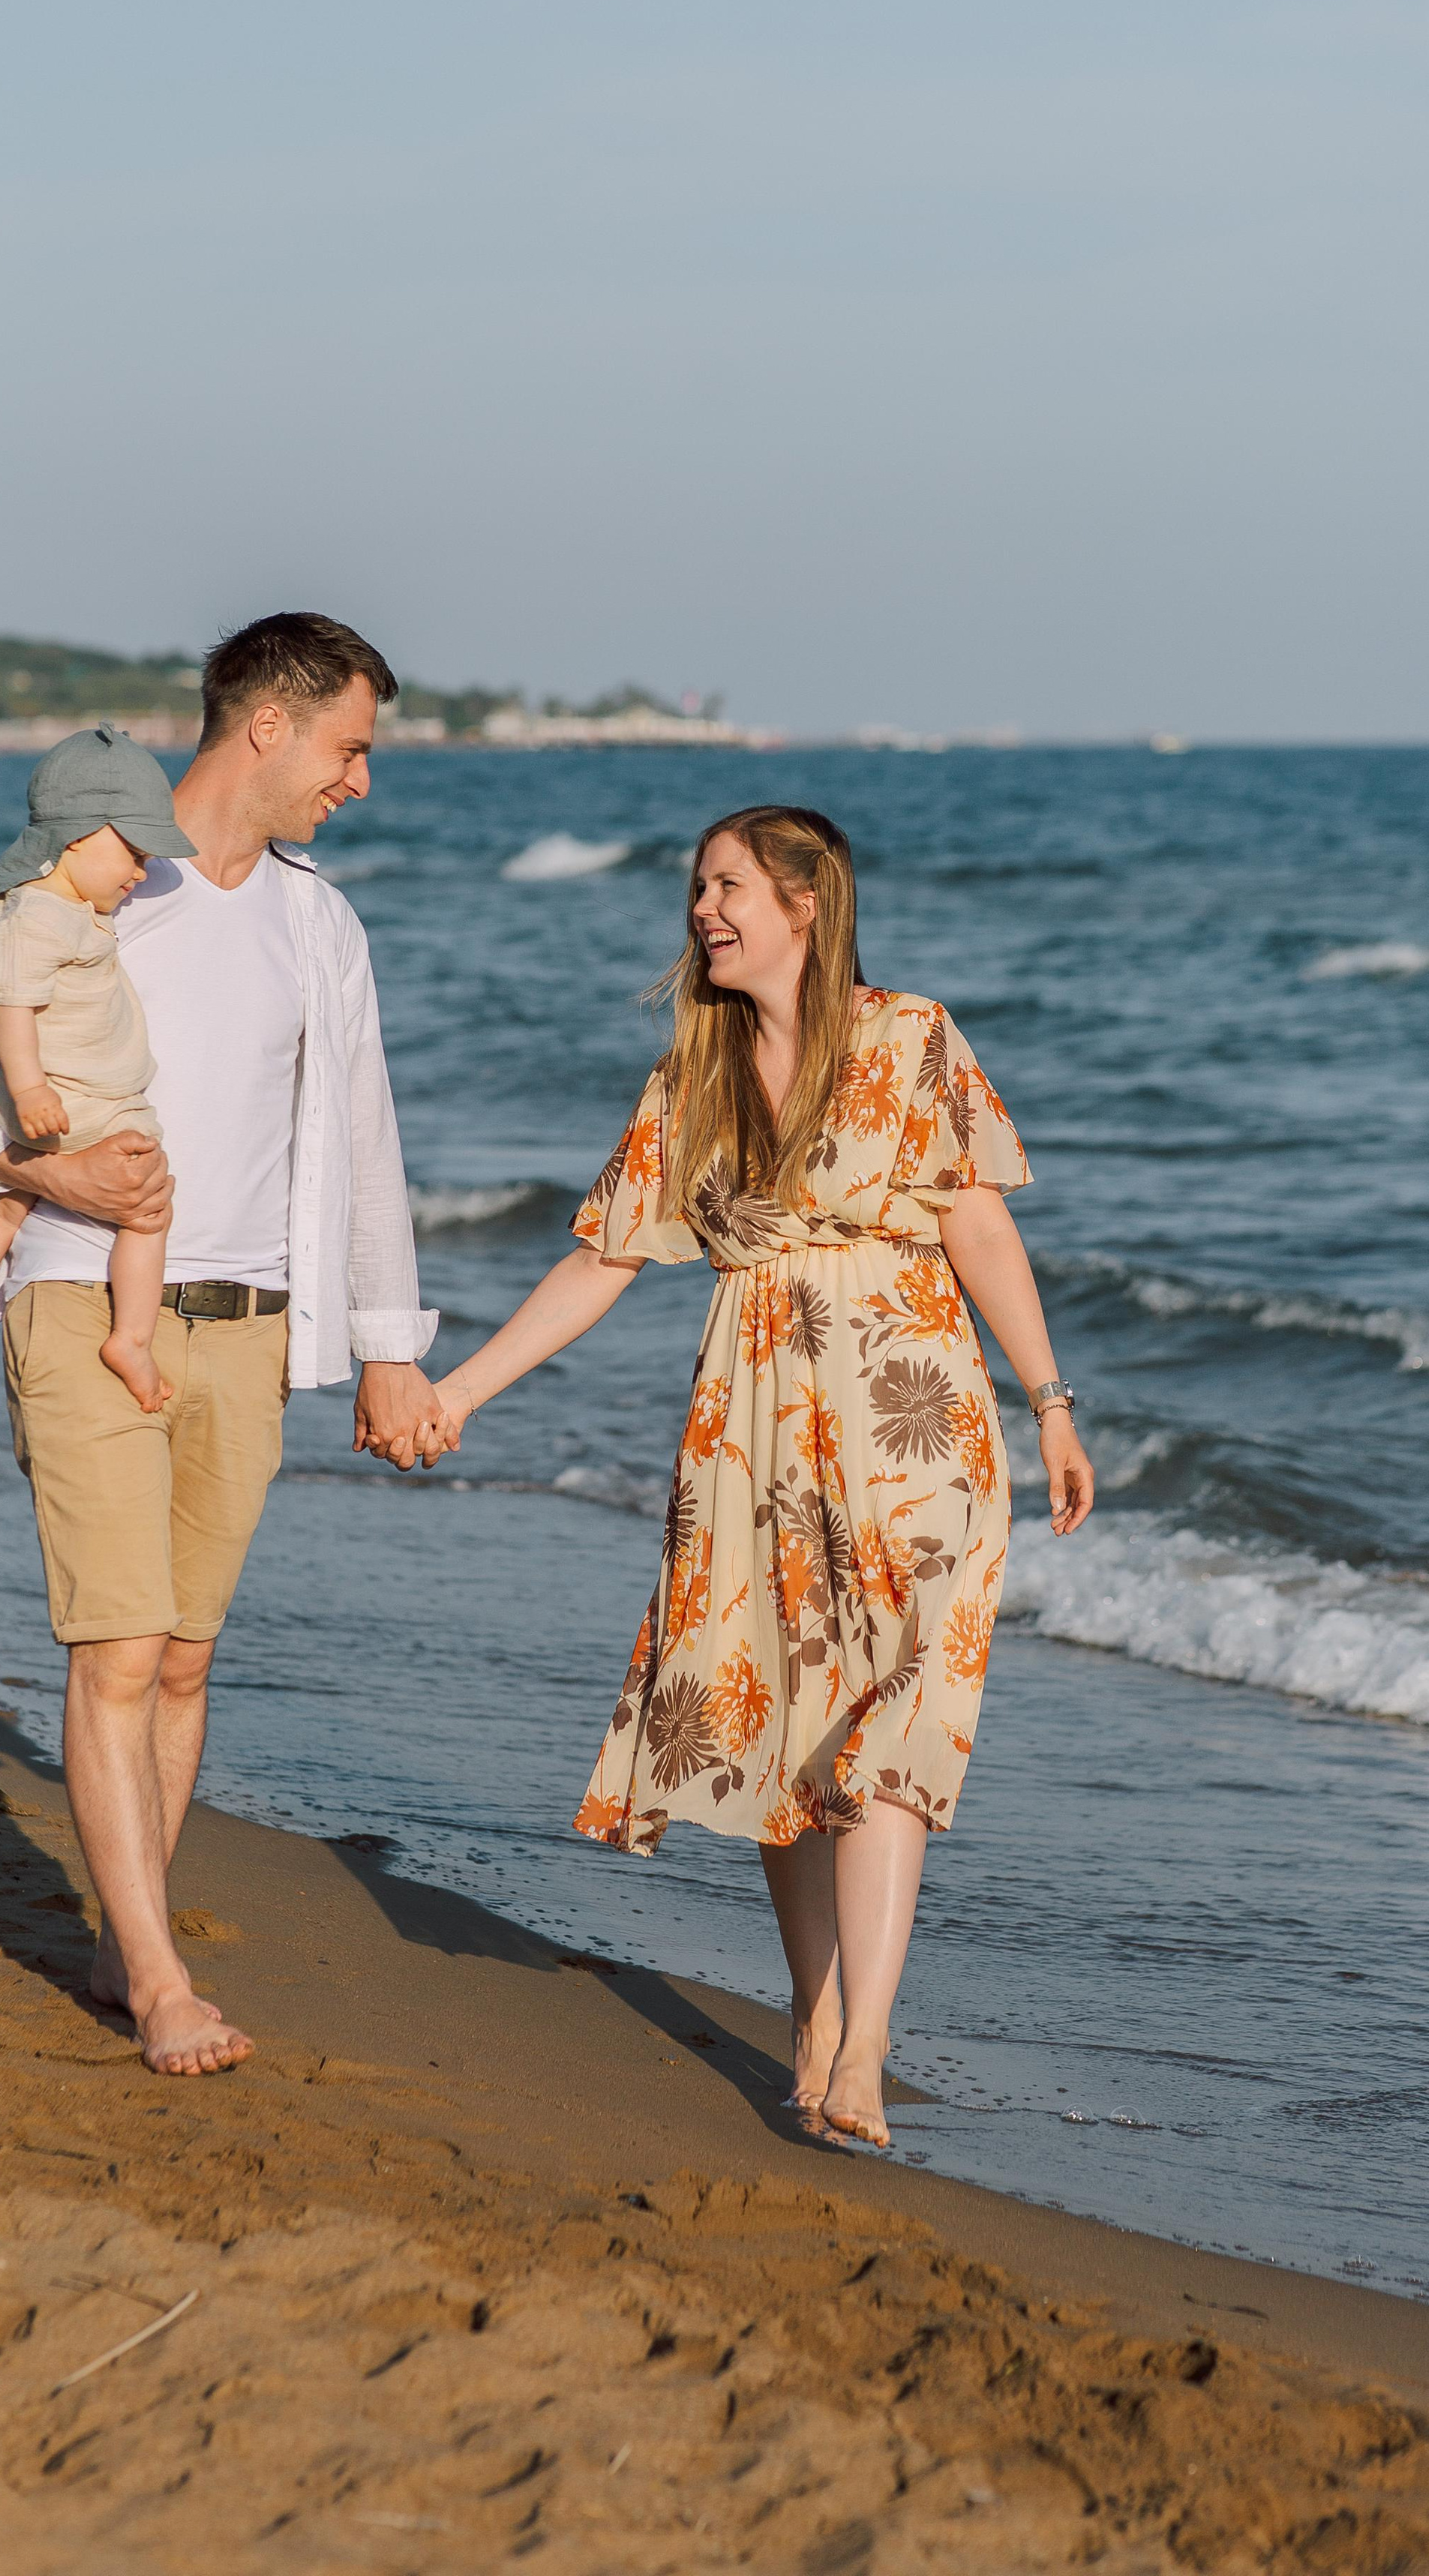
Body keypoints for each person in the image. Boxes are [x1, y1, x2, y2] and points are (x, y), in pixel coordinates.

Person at [423, 805, 1093, 2147]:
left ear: (805, 902)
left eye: (728, 886)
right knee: (791, 1723)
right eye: (696, 890)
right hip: (756, 1429)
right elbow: (602, 1260)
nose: (703, 911)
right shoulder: (694, 1079)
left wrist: (1053, 1404)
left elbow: (977, 1222)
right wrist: (458, 1392)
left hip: (920, 1422)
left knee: (900, 1722)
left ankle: (868, 2049)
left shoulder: (911, 1038)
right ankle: (818, 2015)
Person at [0, 613, 446, 2078]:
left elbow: (367, 1142)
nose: (360, 781)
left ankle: (112, 1932)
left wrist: (387, 1345)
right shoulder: (94, 883)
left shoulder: (318, 921)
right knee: (121, 1647)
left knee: (188, 1660)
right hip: (86, 1298)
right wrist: (26, 1172)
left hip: (250, 1329)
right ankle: (155, 1979)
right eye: (349, 747)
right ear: (264, 726)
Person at [0, 724, 197, 1414]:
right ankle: (131, 1338)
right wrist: (30, 1088)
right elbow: (13, 1002)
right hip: (73, 1100)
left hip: (44, 1101)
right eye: (133, 851)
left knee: (7, 1202)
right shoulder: (41, 914)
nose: (141, 871)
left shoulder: (56, 905)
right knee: (148, 1206)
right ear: (79, 835)